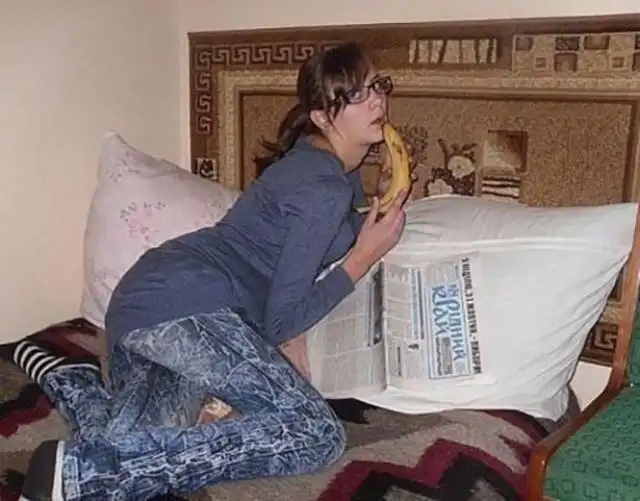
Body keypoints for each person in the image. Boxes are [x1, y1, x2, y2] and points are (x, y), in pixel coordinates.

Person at [15, 41, 410, 501]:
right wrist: (359, 260)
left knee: (131, 443)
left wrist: (379, 201)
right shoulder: (324, 184)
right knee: (314, 432)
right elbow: (279, 321)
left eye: (377, 86)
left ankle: (72, 380)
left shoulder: (325, 165)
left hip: (143, 303)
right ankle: (78, 475)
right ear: (322, 117)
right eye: (357, 95)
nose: (377, 101)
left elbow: (324, 231)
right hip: (195, 303)